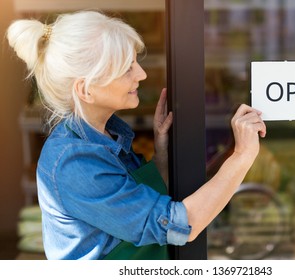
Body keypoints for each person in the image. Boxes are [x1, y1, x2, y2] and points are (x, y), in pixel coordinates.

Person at [6, 10, 266, 260]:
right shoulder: (76, 163)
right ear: (86, 90)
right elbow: (179, 226)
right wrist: (242, 157)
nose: (141, 75)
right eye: (126, 68)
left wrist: (162, 154)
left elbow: (140, 205)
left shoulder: (105, 136)